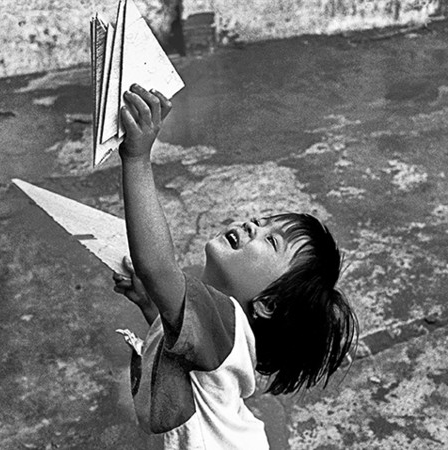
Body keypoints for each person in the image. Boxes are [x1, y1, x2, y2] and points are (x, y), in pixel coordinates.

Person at [112, 84, 358, 449]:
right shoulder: (219, 337)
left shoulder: (225, 322)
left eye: (271, 242)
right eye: (263, 221)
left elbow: (157, 266)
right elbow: (183, 364)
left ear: (268, 304)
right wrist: (153, 307)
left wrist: (136, 159)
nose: (252, 226)